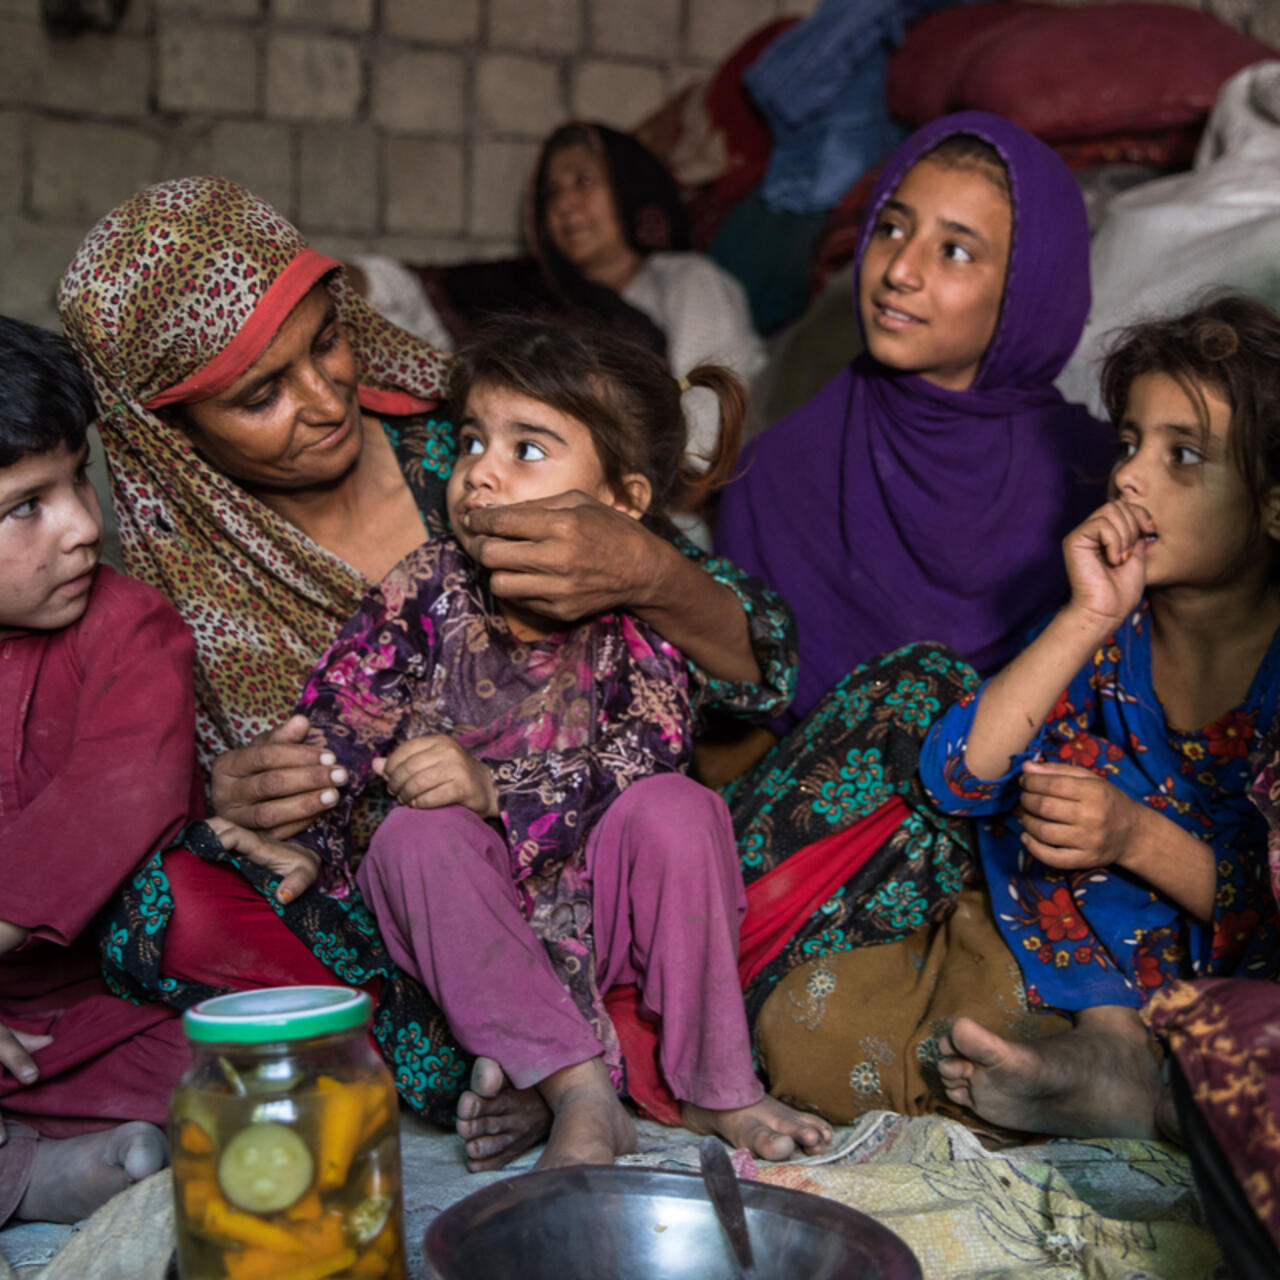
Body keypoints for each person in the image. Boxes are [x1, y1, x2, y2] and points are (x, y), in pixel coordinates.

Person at [56, 177, 797, 1169]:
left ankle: (656, 1072)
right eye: (260, 393)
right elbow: (345, 715)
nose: (325, 397)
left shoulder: (479, 440)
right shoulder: (280, 580)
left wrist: (647, 574)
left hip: (614, 873)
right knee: (192, 892)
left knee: (694, 808)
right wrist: (261, 819)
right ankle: (563, 1068)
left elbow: (703, 708)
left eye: (326, 340)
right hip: (433, 904)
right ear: (169, 430)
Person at [258, 317, 830, 1168]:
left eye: (528, 449)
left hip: (605, 916)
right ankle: (580, 1094)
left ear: (625, 504)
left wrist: (496, 791)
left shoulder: (639, 611)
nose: (480, 471)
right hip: (471, 930)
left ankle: (720, 1086)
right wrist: (298, 826)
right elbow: (343, 715)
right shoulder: (425, 589)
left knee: (679, 808)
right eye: (472, 441)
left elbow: (645, 754)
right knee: (415, 838)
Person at [922, 294, 1280, 1137]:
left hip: (1254, 965)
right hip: (1126, 977)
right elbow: (959, 775)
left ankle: (1186, 1092)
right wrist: (1086, 616)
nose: (1127, 477)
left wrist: (1136, 839)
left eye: (1183, 455)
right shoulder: (1114, 631)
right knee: (1042, 759)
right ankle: (1114, 1051)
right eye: (1130, 442)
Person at [715, 111, 1113, 731]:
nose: (899, 271)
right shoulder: (773, 476)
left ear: (1030, 287)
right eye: (891, 229)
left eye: (955, 251)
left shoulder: (1098, 481)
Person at [0, 316, 190, 1224]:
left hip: (96, 1017)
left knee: (234, 1077)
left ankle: (40, 1165)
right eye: (25, 506)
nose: (85, 525)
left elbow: (117, 797)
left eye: (79, 476)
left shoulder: (131, 628)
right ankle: (32, 1177)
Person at [352, 121, 766, 483]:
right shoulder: (523, 291)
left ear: (628, 188)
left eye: (583, 181)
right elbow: (417, 306)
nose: (565, 204)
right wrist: (342, 279)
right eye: (552, 193)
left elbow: (706, 436)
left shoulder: (687, 281)